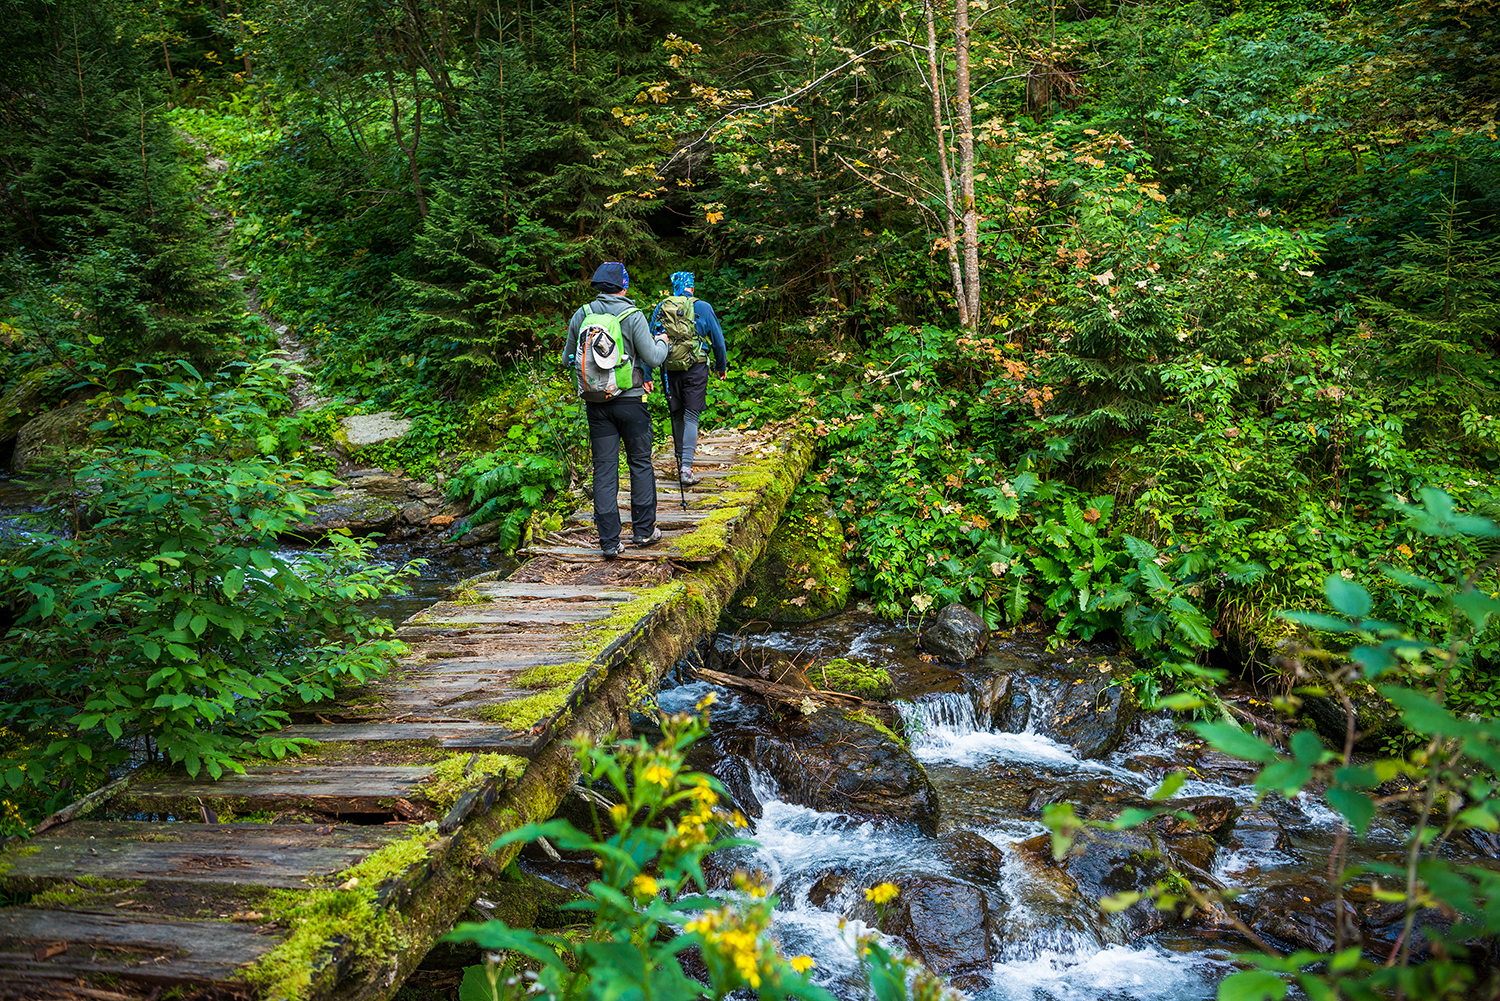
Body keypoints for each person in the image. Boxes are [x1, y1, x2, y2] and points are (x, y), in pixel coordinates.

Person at [563, 262, 670, 559]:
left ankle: (609, 541)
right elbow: (653, 358)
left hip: (596, 404)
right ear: (623, 286)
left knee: (605, 469)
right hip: (631, 401)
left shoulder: (582, 315)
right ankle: (644, 531)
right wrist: (663, 342)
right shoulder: (632, 316)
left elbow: (566, 359)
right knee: (639, 462)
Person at [649, 271, 728, 486]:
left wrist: (648, 374)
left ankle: (679, 460)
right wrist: (721, 366)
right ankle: (686, 469)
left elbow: (649, 341)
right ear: (691, 287)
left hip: (669, 368)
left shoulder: (662, 307)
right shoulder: (703, 307)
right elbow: (718, 342)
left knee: (676, 415)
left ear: (674, 287)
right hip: (696, 367)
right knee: (691, 416)